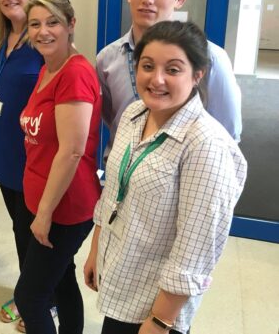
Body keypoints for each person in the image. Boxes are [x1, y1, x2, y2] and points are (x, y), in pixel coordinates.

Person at [83, 21, 247, 334]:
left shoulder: (205, 145)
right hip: (122, 275)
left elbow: (196, 249)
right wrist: (96, 250)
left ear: (197, 74)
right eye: (147, 66)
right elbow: (114, 192)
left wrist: (160, 322)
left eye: (173, 69)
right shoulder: (134, 114)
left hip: (158, 302)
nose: (157, 79)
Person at [14, 0, 102, 334]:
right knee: (61, 280)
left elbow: (71, 151)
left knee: (30, 297)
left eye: (52, 22)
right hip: (40, 197)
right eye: (35, 24)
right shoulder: (48, 67)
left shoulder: (75, 73)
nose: (42, 31)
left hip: (64, 207)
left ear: (71, 25)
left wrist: (45, 213)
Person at [96, 0, 242, 158]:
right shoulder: (107, 58)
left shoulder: (210, 57)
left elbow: (227, 133)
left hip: (182, 175)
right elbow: (111, 119)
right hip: (122, 168)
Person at [0, 0, 43, 329]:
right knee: (21, 231)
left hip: (32, 156)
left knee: (37, 233)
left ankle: (42, 299)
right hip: (3, 155)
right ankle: (30, 292)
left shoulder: (43, 40)